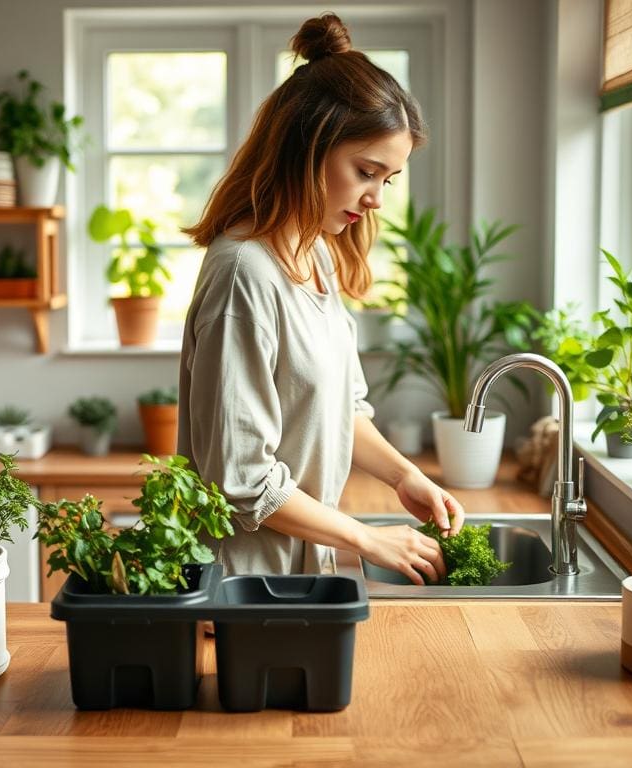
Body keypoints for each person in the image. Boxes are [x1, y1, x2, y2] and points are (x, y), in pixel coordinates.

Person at [179, 13, 465, 586]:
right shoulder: (245, 273)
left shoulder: (317, 257)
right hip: (240, 588)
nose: (377, 198)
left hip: (295, 579)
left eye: (389, 179)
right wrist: (366, 537)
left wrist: (405, 475)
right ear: (308, 146)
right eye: (367, 171)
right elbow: (241, 480)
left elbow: (340, 410)